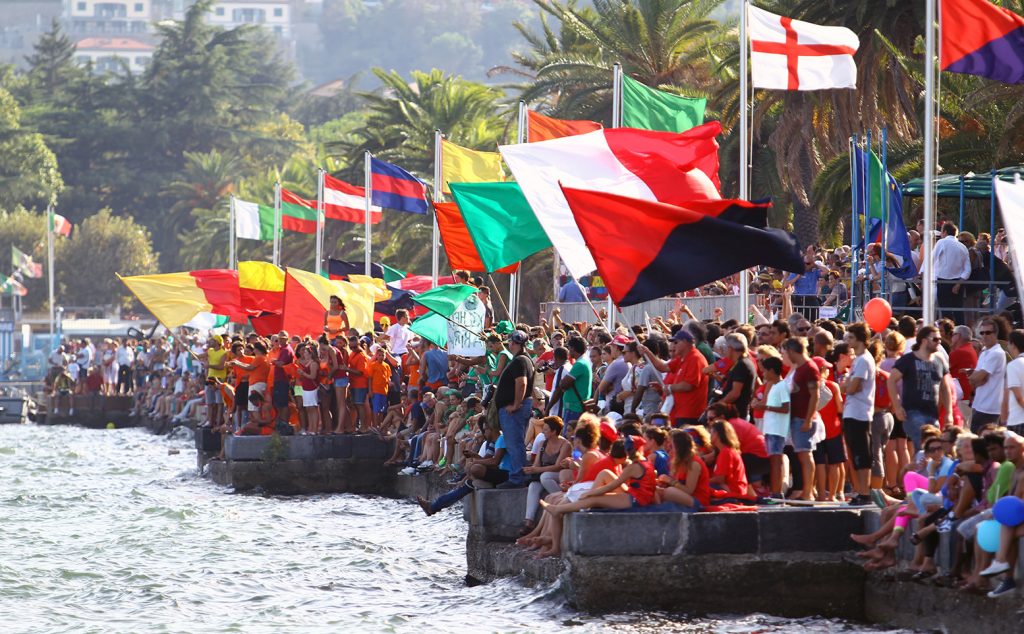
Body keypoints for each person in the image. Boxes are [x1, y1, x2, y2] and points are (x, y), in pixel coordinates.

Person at [887, 326, 951, 451]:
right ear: (924, 340)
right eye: (935, 339)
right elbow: (891, 380)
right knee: (925, 447)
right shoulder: (908, 360)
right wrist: (897, 406)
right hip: (912, 412)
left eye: (940, 339)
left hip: (933, 413)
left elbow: (945, 387)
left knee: (932, 449)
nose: (939, 342)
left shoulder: (939, 360)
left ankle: (919, 470)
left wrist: (949, 413)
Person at [493, 330, 536, 488]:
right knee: (515, 443)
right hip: (516, 407)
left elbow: (522, 383)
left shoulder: (520, 361)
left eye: (510, 341)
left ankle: (517, 478)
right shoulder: (523, 359)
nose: (509, 344)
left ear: (514, 343)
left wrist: (516, 404)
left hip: (515, 409)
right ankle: (518, 476)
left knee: (514, 444)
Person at [843, 323, 876, 506]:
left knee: (862, 454)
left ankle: (865, 492)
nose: (848, 341)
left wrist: (847, 386)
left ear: (860, 339)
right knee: (856, 453)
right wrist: (847, 385)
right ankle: (861, 490)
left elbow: (853, 386)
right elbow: (847, 384)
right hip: (852, 411)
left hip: (860, 412)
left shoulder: (864, 360)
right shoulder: (857, 359)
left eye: (851, 338)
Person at [782, 337, 820, 501]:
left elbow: (815, 395)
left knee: (806, 456)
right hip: (798, 417)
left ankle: (808, 491)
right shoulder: (800, 368)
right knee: (802, 455)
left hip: (803, 418)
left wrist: (808, 419)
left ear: (791, 351)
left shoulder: (809, 368)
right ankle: (807, 490)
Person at [521, 416, 573, 533]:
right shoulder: (542, 444)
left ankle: (561, 500)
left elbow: (558, 466)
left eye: (545, 430)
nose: (543, 432)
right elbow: (537, 464)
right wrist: (530, 469)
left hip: (559, 474)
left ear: (554, 431)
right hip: (543, 474)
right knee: (533, 485)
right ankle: (529, 521)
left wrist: (537, 470)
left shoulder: (565, 444)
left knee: (545, 476)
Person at [968, 317, 1007, 433]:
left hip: (989, 408)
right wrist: (976, 378)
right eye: (982, 333)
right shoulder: (985, 351)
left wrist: (976, 377)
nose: (984, 335)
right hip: (979, 404)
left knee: (983, 445)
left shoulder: (996, 353)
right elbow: (975, 380)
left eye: (988, 332)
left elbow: (978, 378)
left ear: (995, 334)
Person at [658, 429, 710, 510]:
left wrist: (669, 481)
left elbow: (689, 490)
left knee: (668, 492)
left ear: (679, 447)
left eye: (671, 445)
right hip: (685, 497)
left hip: (698, 501)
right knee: (657, 491)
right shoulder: (678, 461)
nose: (668, 448)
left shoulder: (694, 463)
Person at [547, 337, 591, 426]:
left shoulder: (580, 364)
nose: (569, 350)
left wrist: (547, 408)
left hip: (575, 409)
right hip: (574, 408)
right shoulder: (582, 362)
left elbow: (562, 385)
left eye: (569, 347)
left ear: (573, 348)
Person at [932, 222, 972, 321]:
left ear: (944, 232)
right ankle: (961, 330)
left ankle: (947, 332)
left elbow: (932, 259)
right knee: (958, 310)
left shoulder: (941, 242)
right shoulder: (962, 247)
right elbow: (967, 269)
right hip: (958, 282)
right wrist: (958, 284)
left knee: (945, 312)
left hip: (943, 282)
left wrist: (924, 274)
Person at [718, 333, 756, 421]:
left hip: (737, 415)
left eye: (726, 347)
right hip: (739, 413)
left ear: (731, 349)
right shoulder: (743, 362)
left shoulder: (742, 365)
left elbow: (735, 393)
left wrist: (719, 404)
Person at [1003, 329, 1024, 435]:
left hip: (1018, 420)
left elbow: (1019, 398)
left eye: (1008, 343)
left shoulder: (1013, 365)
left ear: (1013, 344)